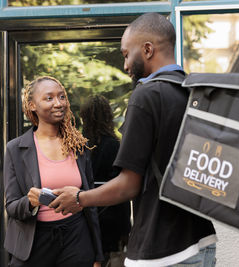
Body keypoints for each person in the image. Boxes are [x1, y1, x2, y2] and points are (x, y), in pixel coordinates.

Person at [50, 13, 217, 267]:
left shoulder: (146, 95)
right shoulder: (193, 92)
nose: (126, 65)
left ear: (148, 49)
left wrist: (80, 198)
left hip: (163, 250)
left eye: (127, 54)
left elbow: (129, 185)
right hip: (202, 241)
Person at [3, 76, 103, 267]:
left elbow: (91, 205)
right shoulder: (15, 149)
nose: (58, 103)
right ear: (32, 105)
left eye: (62, 97)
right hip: (34, 242)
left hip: (77, 238)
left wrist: (97, 254)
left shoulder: (79, 146)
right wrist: (31, 202)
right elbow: (12, 207)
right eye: (49, 98)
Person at [80, 95, 131, 267]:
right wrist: (126, 230)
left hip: (84, 217)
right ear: (108, 117)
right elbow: (121, 190)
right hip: (111, 221)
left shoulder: (78, 145)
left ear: (85, 117)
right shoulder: (114, 146)